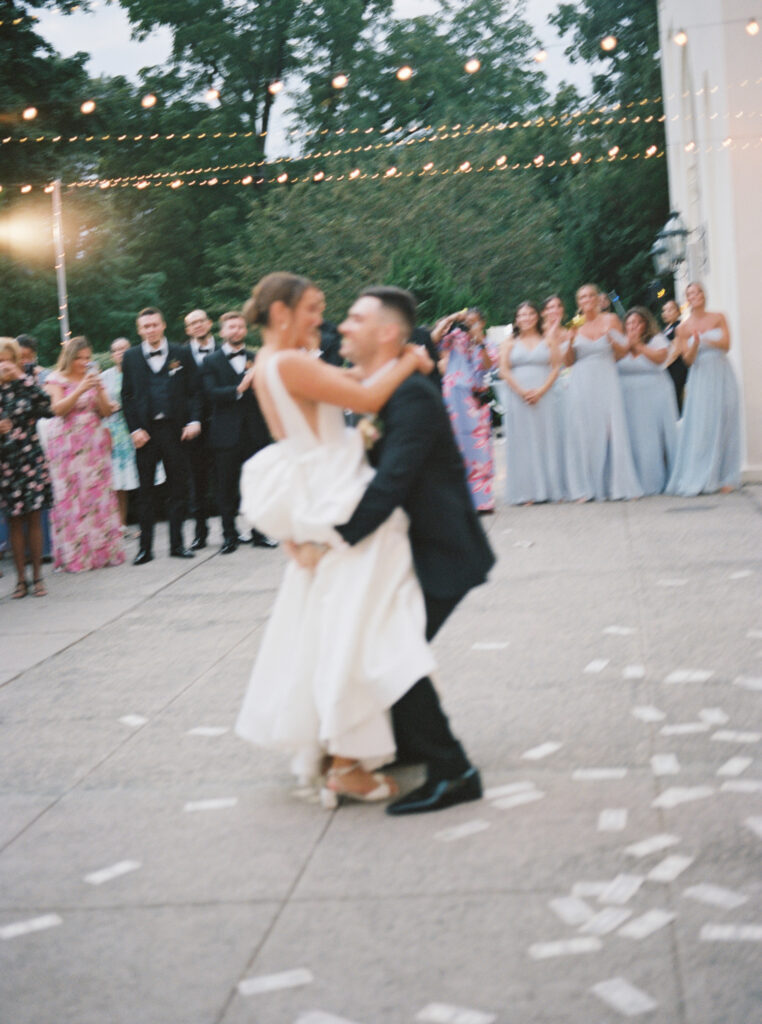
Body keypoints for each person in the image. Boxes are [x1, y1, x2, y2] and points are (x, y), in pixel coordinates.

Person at [235, 273, 437, 806]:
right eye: (312, 308)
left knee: (329, 623)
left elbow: (341, 383)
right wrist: (410, 361)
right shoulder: (290, 362)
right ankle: (348, 760)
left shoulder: (268, 365)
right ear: (281, 313)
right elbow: (366, 395)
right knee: (360, 622)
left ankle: (336, 745)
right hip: (338, 494)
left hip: (316, 492)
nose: (320, 319)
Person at [333, 286, 494, 815]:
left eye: (355, 319)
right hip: (416, 548)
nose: (343, 327)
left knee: (390, 654)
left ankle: (453, 770)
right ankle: (414, 748)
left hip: (444, 551)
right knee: (388, 652)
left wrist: (337, 539)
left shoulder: (413, 397)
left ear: (386, 333)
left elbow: (393, 483)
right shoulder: (391, 391)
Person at [121, 307, 201, 564]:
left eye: (154, 325)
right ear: (139, 329)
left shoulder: (182, 352)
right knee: (145, 492)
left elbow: (195, 391)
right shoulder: (131, 357)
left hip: (175, 431)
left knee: (178, 488)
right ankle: (145, 549)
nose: (150, 330)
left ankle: (178, 545)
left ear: (163, 325)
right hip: (145, 433)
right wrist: (134, 429)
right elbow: (127, 396)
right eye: (145, 326)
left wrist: (194, 420)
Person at [44, 336, 125, 572]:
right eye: (80, 358)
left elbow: (107, 411)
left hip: (93, 442)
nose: (84, 363)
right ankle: (76, 555)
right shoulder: (54, 379)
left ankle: (102, 552)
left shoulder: (93, 379)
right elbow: (58, 409)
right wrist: (80, 388)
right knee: (72, 498)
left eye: (88, 358)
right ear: (69, 358)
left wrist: (98, 389)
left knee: (96, 496)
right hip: (66, 444)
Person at [201, 310, 275, 553]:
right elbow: (211, 394)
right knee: (226, 487)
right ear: (222, 332)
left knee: (257, 486)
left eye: (240, 327)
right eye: (231, 327)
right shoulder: (210, 361)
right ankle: (229, 536)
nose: (236, 331)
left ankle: (259, 533)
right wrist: (240, 388)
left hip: (255, 433)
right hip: (226, 434)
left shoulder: (255, 357)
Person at [563, 283, 642, 502]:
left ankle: (621, 484)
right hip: (581, 380)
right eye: (582, 297)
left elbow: (624, 351)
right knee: (585, 430)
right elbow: (568, 361)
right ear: (578, 302)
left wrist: (611, 339)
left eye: (590, 295)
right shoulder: (574, 325)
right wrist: (569, 342)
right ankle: (586, 487)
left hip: (606, 377)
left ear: (598, 299)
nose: (587, 300)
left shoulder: (611, 320)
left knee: (612, 428)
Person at [666, 282, 742, 496]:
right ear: (687, 299)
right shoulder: (683, 327)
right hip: (700, 376)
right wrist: (696, 343)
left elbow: (727, 344)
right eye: (691, 293)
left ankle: (727, 476)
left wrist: (706, 337)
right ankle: (703, 474)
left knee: (726, 420)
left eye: (698, 291)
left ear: (704, 295)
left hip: (721, 371)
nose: (695, 295)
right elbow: (688, 360)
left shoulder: (719, 317)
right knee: (704, 424)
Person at [0, 338, 53, 597]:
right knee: (13, 522)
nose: (4, 365)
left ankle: (37, 577)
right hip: (6, 463)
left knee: (34, 518)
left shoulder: (26, 383)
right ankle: (20, 580)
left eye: (8, 360)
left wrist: (21, 377)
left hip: (30, 458)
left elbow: (48, 407)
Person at [499, 301, 564, 505]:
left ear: (537, 317)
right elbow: (504, 370)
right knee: (523, 442)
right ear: (516, 319)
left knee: (546, 439)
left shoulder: (548, 340)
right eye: (522, 315)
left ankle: (549, 488)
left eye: (530, 314)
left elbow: (555, 367)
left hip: (544, 395)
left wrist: (541, 391)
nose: (526, 318)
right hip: (518, 396)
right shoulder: (509, 342)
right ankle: (526, 492)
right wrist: (521, 392)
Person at [433, 308, 497, 513]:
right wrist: (451, 318)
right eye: (467, 322)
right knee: (457, 447)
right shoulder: (454, 338)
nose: (470, 325)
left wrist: (479, 342)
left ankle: (482, 500)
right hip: (454, 398)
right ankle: (457, 501)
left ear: (482, 322)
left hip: (476, 399)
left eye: (474, 322)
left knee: (479, 449)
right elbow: (433, 340)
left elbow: (488, 366)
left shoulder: (487, 344)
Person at [617, 308, 678, 495]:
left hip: (654, 394)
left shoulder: (656, 339)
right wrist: (627, 345)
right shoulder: (620, 344)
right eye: (629, 323)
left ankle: (657, 481)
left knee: (653, 438)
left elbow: (661, 359)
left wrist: (639, 346)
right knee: (632, 437)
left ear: (645, 324)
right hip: (628, 396)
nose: (632, 326)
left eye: (637, 322)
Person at [15, 333, 53, 562]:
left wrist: (35, 382)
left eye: (29, 358)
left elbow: (48, 407)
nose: (24, 362)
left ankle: (43, 549)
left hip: (37, 440)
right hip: (11, 447)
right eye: (21, 357)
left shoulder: (42, 375)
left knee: (39, 499)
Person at [183, 309, 217, 550]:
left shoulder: (227, 349)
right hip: (193, 425)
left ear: (209, 323)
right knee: (197, 480)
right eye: (192, 323)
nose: (197, 326)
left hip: (224, 420)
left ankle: (237, 530)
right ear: (187, 330)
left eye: (200, 321)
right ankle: (200, 533)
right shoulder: (179, 354)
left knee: (230, 477)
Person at [100, 338, 139, 533]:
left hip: (135, 430)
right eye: (116, 350)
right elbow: (98, 404)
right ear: (111, 354)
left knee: (138, 477)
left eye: (124, 349)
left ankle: (142, 522)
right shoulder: (105, 376)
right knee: (116, 482)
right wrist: (108, 407)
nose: (120, 353)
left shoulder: (139, 373)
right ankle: (119, 525)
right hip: (114, 433)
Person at [661, 298, 687, 414]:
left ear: (677, 311)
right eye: (666, 310)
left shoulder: (679, 326)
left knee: (676, 398)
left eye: (671, 309)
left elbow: (676, 349)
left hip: (677, 366)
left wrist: (663, 365)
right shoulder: (665, 329)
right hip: (668, 368)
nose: (668, 312)